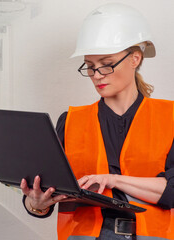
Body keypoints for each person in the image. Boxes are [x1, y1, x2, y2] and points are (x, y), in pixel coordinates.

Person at [20, 3, 174, 240]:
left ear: (135, 59)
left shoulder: (170, 117)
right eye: (90, 67)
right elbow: (45, 192)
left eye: (107, 64)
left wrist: (111, 179)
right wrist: (36, 203)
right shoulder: (70, 121)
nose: (97, 75)